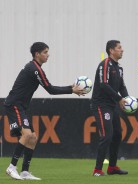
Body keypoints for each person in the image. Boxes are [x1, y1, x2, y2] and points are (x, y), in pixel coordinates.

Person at [3, 42, 85, 180]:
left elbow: (50, 87)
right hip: (14, 105)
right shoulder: (34, 69)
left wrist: (70, 88)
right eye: (45, 52)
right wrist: (71, 90)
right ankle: (11, 167)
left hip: (21, 106)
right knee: (27, 135)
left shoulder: (35, 68)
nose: (48, 55)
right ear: (37, 54)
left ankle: (25, 172)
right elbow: (50, 89)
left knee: (33, 137)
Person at [90, 40, 129, 176]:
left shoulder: (119, 68)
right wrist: (119, 99)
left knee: (117, 134)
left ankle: (112, 167)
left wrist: (128, 100)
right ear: (111, 50)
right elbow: (104, 85)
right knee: (107, 136)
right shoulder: (105, 64)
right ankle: (97, 170)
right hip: (101, 105)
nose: (122, 50)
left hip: (112, 105)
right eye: (119, 48)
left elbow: (121, 87)